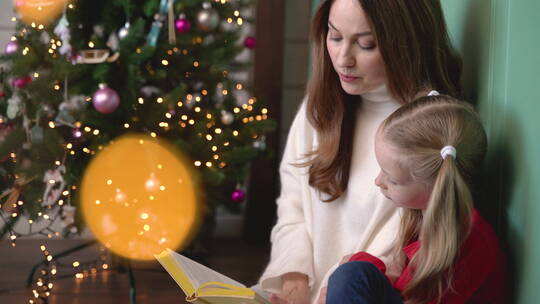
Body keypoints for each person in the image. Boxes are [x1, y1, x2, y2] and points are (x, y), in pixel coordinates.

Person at [259, 0, 462, 303]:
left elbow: (400, 256)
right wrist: (293, 275)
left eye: (366, 45)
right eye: (335, 36)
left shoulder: (430, 131)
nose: (343, 59)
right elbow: (293, 205)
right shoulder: (320, 108)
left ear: (406, 43)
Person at [325, 94, 506, 304]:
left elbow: (408, 295)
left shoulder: (465, 242)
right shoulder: (431, 221)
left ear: (435, 185)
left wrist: (359, 264)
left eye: (392, 179)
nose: (378, 181)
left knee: (352, 275)